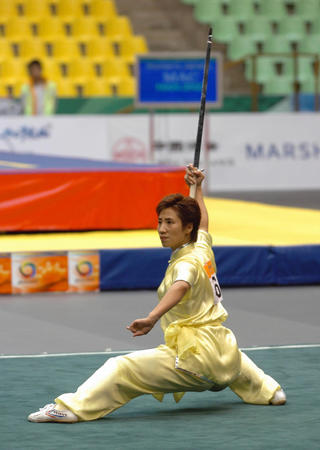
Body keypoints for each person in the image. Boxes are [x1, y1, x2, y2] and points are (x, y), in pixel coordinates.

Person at [28, 165, 286, 423]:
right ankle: (269, 391)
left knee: (121, 368)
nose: (161, 229)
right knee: (232, 356)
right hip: (224, 354)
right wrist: (197, 188)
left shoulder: (186, 263)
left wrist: (152, 318)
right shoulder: (202, 247)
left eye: (169, 222)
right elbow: (203, 222)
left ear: (187, 228)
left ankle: (72, 409)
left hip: (196, 363)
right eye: (160, 222)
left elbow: (181, 286)